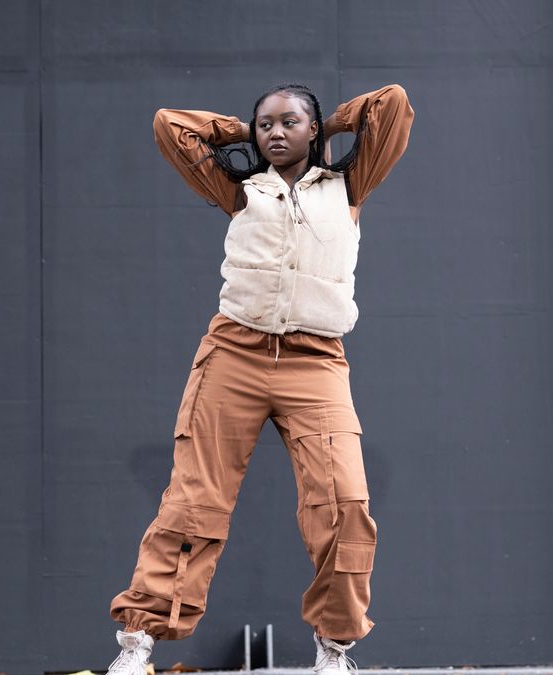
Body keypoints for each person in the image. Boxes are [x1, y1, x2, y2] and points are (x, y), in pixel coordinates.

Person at [106, 83, 414, 675]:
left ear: (314, 129)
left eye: (290, 122)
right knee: (194, 501)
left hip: (316, 362)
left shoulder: (350, 184)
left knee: (343, 503)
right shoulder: (240, 189)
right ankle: (138, 643)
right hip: (235, 355)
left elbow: (393, 105)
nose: (276, 133)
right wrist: (241, 132)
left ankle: (334, 648)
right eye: (265, 125)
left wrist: (330, 126)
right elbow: (172, 123)